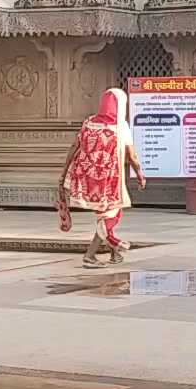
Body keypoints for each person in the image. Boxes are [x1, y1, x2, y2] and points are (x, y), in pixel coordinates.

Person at [58, 87, 146, 268]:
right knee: (110, 216)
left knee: (104, 216)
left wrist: (64, 172)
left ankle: (114, 254)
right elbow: (132, 156)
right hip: (109, 181)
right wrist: (140, 175)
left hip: (88, 179)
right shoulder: (120, 127)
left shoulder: (89, 122)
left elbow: (75, 146)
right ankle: (90, 256)